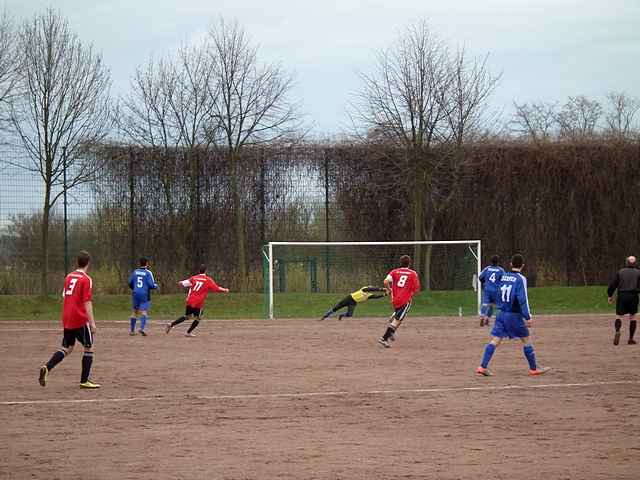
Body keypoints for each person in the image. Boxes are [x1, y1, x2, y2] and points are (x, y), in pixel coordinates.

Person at [476, 254, 550, 377]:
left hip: (501, 314)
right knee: (526, 340)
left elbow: (498, 293)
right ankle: (533, 368)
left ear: (510, 264)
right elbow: (523, 299)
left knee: (495, 340)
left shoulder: (504, 276)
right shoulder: (520, 279)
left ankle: (482, 366)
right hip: (514, 315)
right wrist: (528, 317)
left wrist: (497, 306)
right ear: (522, 266)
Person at [38, 251, 100, 389]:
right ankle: (84, 381)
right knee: (89, 347)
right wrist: (92, 323)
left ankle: (47, 367)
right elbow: (87, 301)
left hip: (67, 317)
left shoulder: (68, 277)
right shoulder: (86, 279)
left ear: (77, 262)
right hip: (79, 318)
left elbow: (64, 296)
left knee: (67, 347)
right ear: (88, 263)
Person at [165, 264, 229, 337]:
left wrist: (180, 282)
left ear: (199, 271)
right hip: (198, 303)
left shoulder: (194, 278)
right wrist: (225, 290)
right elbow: (216, 288)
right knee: (198, 318)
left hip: (190, 300)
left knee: (187, 316)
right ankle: (188, 332)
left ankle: (171, 324)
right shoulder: (208, 280)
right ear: (206, 271)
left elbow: (183, 283)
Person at [378, 255, 421, 348]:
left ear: (400, 263)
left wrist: (389, 290)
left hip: (395, 299)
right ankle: (384, 338)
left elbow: (385, 281)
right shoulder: (413, 273)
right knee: (397, 320)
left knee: (400, 317)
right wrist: (411, 291)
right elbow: (416, 289)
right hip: (405, 300)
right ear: (410, 263)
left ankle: (391, 330)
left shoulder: (394, 272)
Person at [607, 255, 640, 345]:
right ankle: (631, 339)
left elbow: (613, 284)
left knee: (619, 316)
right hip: (634, 296)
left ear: (626, 262)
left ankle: (618, 330)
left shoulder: (620, 272)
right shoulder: (638, 273)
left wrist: (610, 295)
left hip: (622, 295)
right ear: (635, 263)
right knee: (633, 317)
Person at [127, 257, 158, 336]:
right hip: (144, 294)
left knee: (134, 311)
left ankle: (132, 331)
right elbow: (151, 284)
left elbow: (130, 282)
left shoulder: (135, 272)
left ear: (139, 263)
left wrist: (134, 288)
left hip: (135, 293)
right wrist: (155, 286)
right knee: (144, 312)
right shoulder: (148, 273)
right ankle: (141, 328)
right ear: (147, 264)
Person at [320, 285, 389, 321]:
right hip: (349, 298)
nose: (370, 287)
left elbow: (376, 297)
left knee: (350, 315)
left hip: (353, 302)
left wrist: (384, 294)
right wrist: (382, 289)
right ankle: (324, 317)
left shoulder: (368, 295)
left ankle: (341, 315)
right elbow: (371, 289)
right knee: (335, 308)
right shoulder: (364, 289)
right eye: (370, 287)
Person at [478, 255, 505, 327]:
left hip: (487, 289)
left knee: (485, 304)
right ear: (498, 262)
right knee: (495, 306)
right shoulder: (500, 270)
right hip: (496, 291)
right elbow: (504, 280)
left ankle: (483, 317)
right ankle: (488, 319)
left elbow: (480, 277)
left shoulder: (487, 268)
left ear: (491, 261)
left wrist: (485, 282)